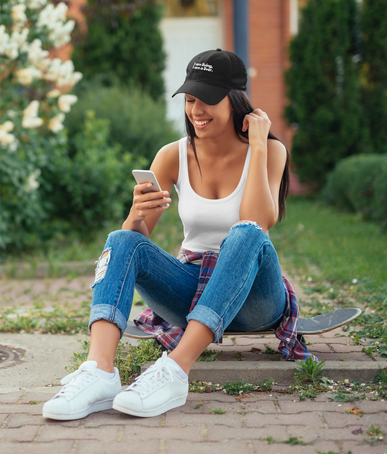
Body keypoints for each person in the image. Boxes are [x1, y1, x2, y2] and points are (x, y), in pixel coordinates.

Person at [42, 49, 311, 421]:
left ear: (236, 102)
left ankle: (174, 371)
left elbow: (259, 221)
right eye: (190, 99)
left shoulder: (270, 151)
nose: (196, 110)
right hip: (190, 291)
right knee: (120, 240)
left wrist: (261, 144)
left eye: (208, 100)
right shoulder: (173, 155)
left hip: (255, 300)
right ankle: (99, 372)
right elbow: (136, 241)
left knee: (246, 233)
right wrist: (137, 214)